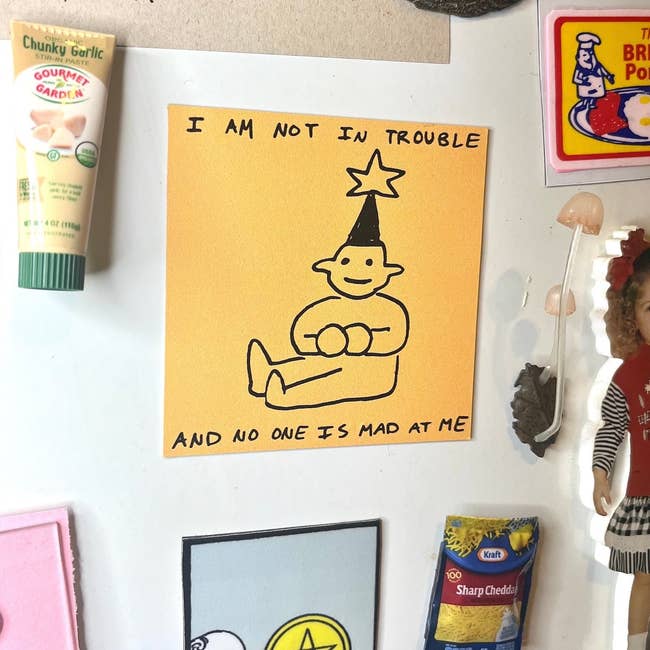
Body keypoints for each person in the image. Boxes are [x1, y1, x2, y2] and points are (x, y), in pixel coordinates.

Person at [247, 193, 409, 410]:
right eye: (346, 262)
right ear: (331, 268)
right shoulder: (325, 307)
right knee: (311, 365)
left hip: (374, 372)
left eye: (369, 263)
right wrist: (319, 341)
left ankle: (284, 396)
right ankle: (268, 374)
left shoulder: (390, 309)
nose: (356, 271)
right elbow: (301, 335)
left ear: (385, 273)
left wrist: (366, 339)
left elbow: (394, 338)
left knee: (331, 382)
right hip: (327, 357)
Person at [593, 230, 650, 650]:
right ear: (632, 317)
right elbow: (611, 427)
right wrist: (601, 474)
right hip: (647, 494)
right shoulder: (629, 374)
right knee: (645, 578)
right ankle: (636, 644)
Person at [573, 32, 615, 110]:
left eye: (591, 54)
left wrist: (609, 76)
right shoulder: (579, 68)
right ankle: (584, 104)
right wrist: (584, 82)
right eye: (584, 55)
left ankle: (592, 103)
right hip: (586, 88)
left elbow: (603, 71)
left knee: (594, 96)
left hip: (596, 88)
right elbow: (575, 79)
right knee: (586, 96)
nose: (588, 57)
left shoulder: (597, 65)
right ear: (578, 57)